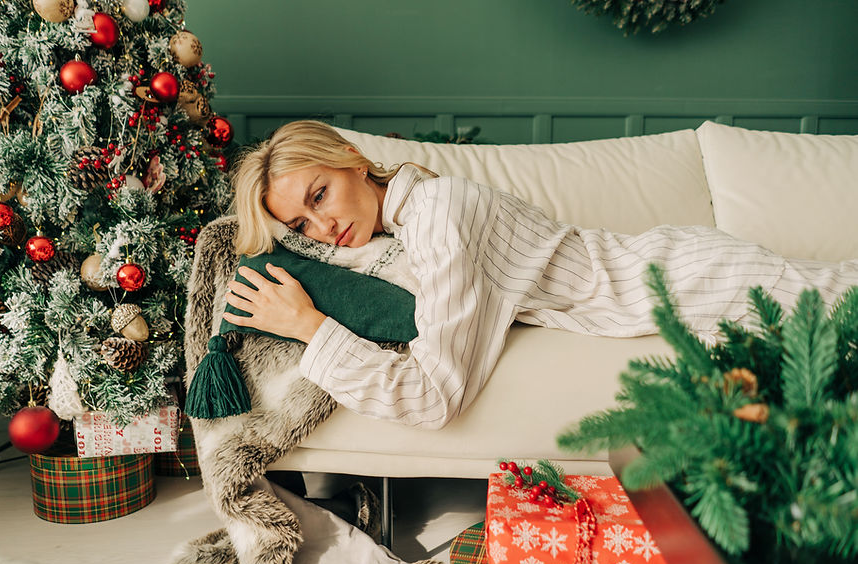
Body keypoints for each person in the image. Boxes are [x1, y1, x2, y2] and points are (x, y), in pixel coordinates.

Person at [223, 120, 858, 429]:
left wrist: (311, 329)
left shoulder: (440, 213)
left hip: (690, 279)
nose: (321, 226)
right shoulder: (409, 226)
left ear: (354, 163)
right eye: (300, 226)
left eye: (319, 194)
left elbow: (432, 395)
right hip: (675, 274)